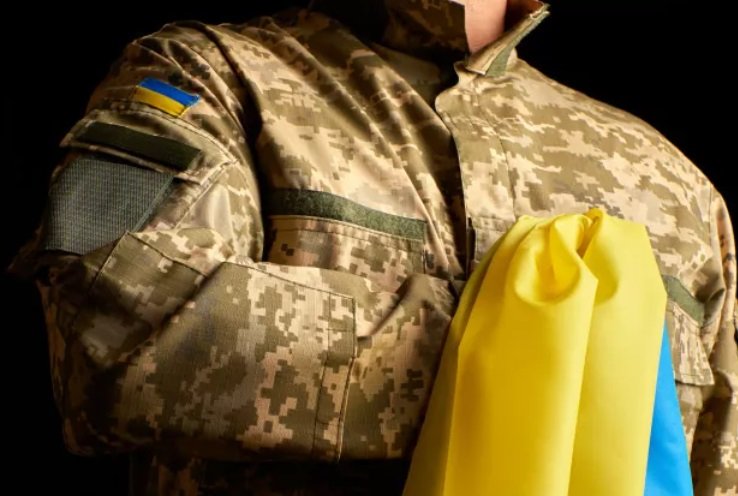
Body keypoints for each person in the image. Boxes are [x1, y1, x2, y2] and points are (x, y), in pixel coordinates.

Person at [10, 0, 736, 494]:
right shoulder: (208, 78)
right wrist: (528, 340)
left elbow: (718, 465)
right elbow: (111, 324)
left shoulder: (671, 182)